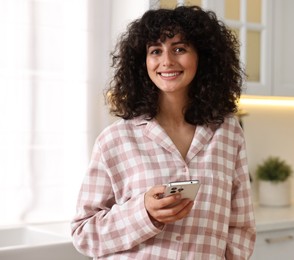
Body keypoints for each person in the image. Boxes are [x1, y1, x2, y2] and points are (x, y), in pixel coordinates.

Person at [71, 5, 256, 260]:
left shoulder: (228, 132)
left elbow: (240, 225)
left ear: (203, 56)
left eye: (179, 49)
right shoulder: (114, 139)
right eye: (155, 51)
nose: (167, 61)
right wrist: (143, 212)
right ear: (142, 61)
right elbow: (83, 234)